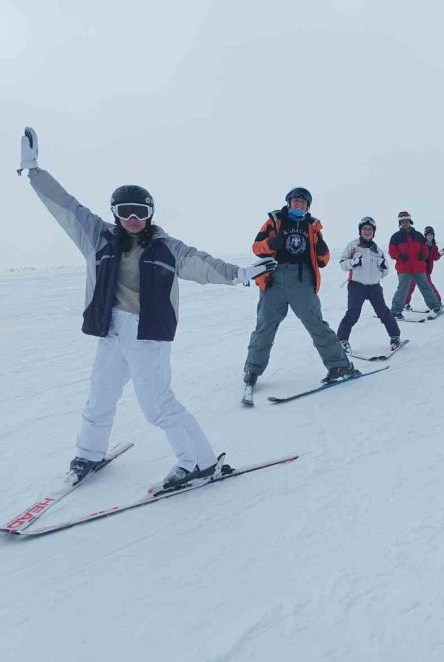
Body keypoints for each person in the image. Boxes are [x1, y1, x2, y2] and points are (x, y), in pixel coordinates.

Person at [19, 127, 276, 490]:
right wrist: (33, 170)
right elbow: (65, 205)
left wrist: (240, 274)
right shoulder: (97, 236)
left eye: (141, 211)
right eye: (126, 211)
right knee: (100, 397)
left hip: (148, 334)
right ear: (116, 213)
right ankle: (89, 454)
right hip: (110, 330)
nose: (133, 218)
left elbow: (200, 263)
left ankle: (198, 462)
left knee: (157, 405)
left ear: (150, 213)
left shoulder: (165, 247)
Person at [243, 186, 358, 388]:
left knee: (316, 323)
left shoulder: (312, 227)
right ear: (289, 203)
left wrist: (323, 251)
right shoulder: (275, 220)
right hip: (274, 279)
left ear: (307, 207)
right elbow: (256, 247)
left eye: (303, 203)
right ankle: (252, 369)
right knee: (265, 325)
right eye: (296, 201)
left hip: (302, 279)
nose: (299, 205)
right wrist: (272, 244)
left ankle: (339, 366)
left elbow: (323, 260)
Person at [336, 217, 400, 352]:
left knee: (383, 312)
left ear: (373, 232)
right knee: (352, 314)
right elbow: (342, 264)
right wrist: (353, 262)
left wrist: (383, 267)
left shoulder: (378, 251)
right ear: (360, 231)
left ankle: (395, 336)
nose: (367, 231)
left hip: (374, 287)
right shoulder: (353, 246)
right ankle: (342, 340)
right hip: (356, 286)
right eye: (364, 229)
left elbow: (385, 272)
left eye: (370, 229)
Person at [388, 212, 444, 319]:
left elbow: (425, 249)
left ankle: (435, 307)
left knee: (426, 287)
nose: (405, 223)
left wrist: (424, 254)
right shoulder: (395, 237)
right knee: (402, 289)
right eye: (403, 222)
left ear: (410, 222)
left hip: (419, 267)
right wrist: (399, 256)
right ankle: (395, 311)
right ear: (400, 223)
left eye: (407, 221)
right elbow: (392, 251)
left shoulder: (418, 235)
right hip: (404, 268)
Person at [404, 225, 443, 310]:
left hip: (427, 271)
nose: (430, 236)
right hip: (417, 269)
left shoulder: (434, 247)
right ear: (425, 236)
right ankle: (405, 303)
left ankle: (438, 302)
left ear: (433, 236)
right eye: (428, 235)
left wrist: (439, 254)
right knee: (411, 286)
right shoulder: (421, 244)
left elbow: (435, 258)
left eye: (431, 235)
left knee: (429, 286)